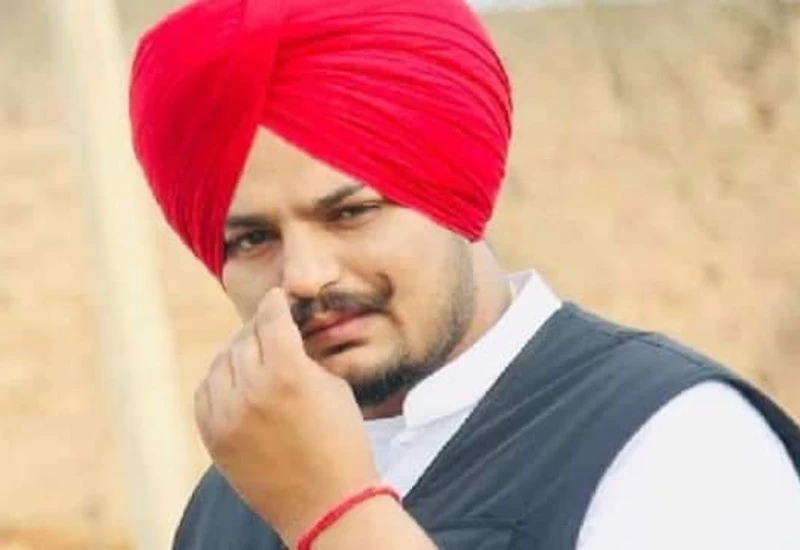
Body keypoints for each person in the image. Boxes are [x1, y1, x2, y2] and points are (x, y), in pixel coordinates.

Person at [128, 0, 800, 548]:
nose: (304, 276)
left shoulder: (678, 446)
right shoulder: (237, 497)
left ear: (454, 193)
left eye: (352, 213)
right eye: (252, 239)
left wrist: (334, 516)